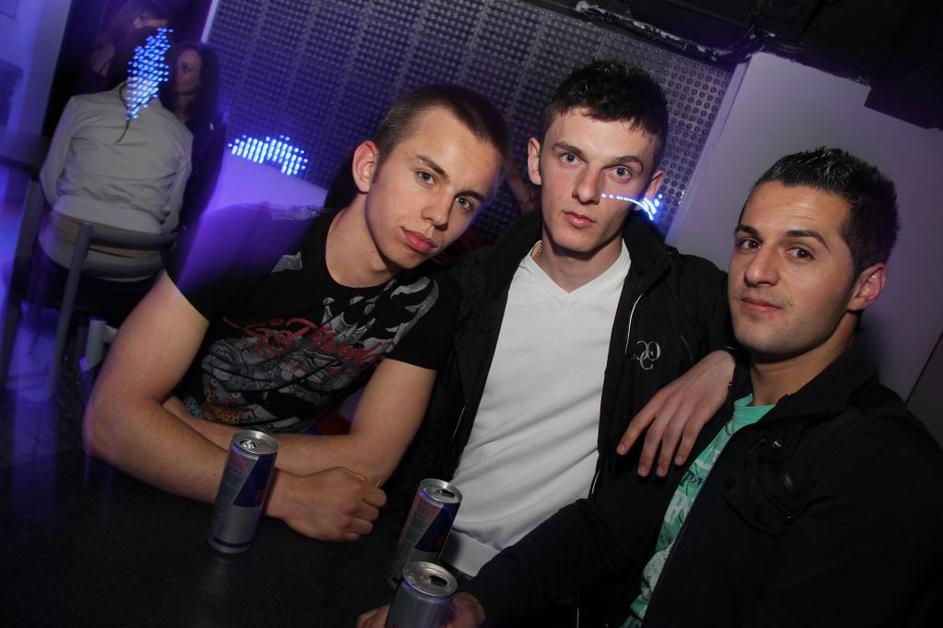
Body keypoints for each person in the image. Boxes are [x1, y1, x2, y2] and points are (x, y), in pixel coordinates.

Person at [364, 148, 943, 627]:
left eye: (800, 252)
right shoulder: (712, 401)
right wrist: (475, 605)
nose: (757, 271)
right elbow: (605, 528)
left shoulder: (884, 463)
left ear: (866, 286)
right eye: (749, 242)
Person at [381, 60, 736, 625]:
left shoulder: (687, 301)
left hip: (560, 598)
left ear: (650, 188)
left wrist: (729, 360)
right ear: (535, 160)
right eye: (570, 157)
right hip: (425, 568)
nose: (587, 191)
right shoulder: (467, 287)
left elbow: (808, 348)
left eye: (620, 171)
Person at [82, 84, 510, 542]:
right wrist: (283, 493)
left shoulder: (430, 300)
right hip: (131, 486)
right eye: (426, 176)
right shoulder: (242, 236)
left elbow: (370, 461)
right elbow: (109, 421)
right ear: (368, 167)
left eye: (465, 201)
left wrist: (177, 431)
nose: (441, 216)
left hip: (235, 502)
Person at [37, 26, 190, 320]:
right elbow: (171, 217)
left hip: (65, 254)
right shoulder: (183, 136)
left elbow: (49, 181)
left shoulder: (80, 106)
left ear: (121, 59)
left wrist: (83, 210)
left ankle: (41, 326)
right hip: (132, 270)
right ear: (168, 74)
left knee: (46, 232)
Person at [159, 41, 227, 231]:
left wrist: (184, 225)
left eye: (186, 68)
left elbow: (205, 183)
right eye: (175, 65)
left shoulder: (212, 127)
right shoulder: (153, 106)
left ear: (202, 79)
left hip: (176, 221)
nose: (176, 73)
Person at [78, 0, 170, 95]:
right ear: (137, 23)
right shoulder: (117, 55)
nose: (162, 37)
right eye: (156, 30)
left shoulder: (108, 45)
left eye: (164, 32)